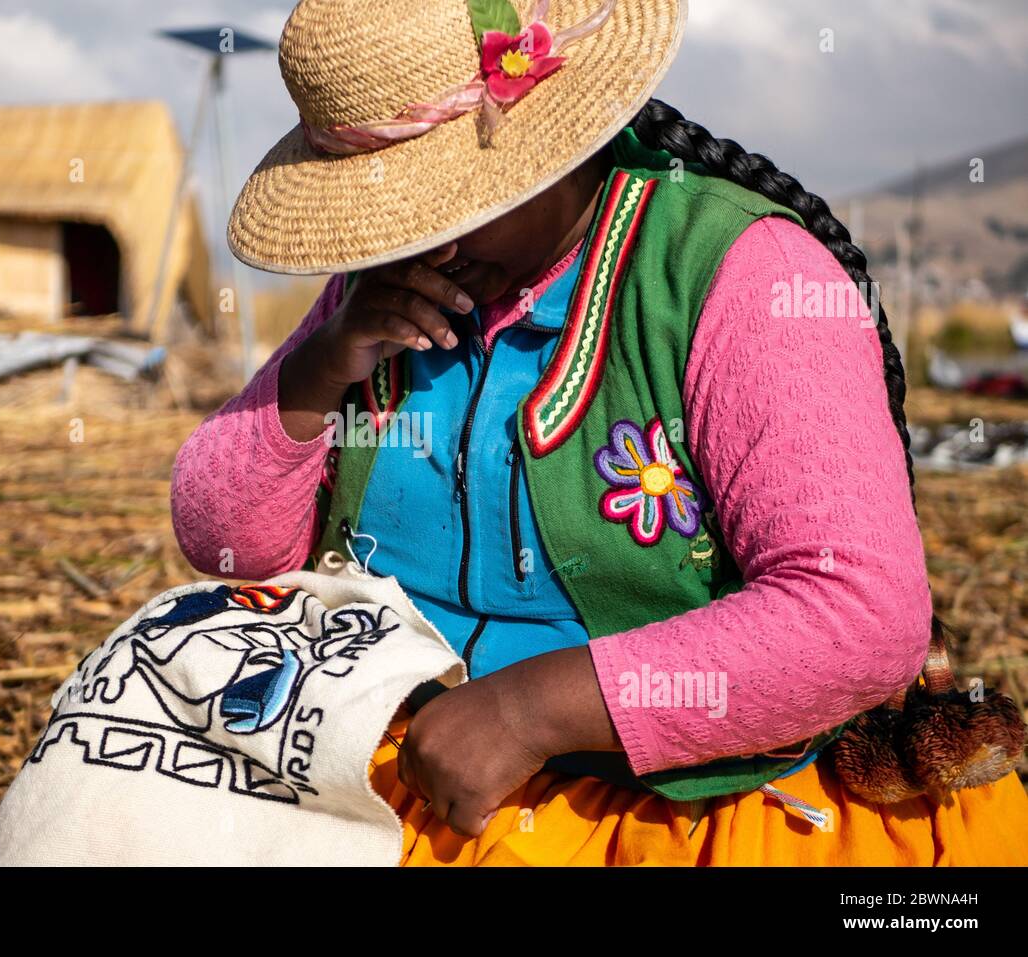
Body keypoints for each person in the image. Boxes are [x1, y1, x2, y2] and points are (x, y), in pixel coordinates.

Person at [171, 0, 1028, 864]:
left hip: (685, 808)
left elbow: (859, 614)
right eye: (387, 218)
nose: (417, 244)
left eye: (443, 206)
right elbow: (226, 541)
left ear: (554, 143)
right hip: (394, 776)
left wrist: (530, 710)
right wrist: (318, 369)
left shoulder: (741, 277)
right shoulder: (382, 295)